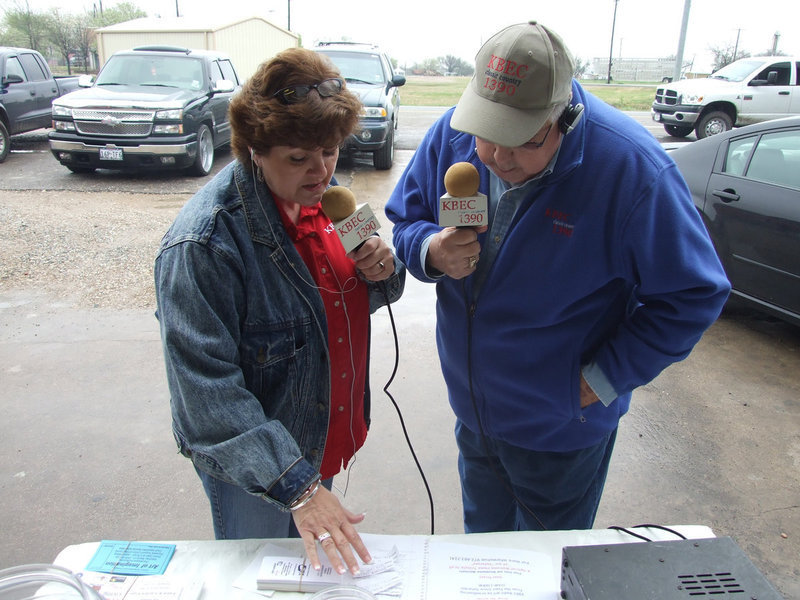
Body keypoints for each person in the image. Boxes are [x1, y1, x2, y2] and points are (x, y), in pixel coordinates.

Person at [385, 21, 730, 533]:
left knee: (547, 570)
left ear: (563, 117)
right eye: (487, 134)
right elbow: (406, 219)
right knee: (485, 561)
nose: (498, 158)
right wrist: (430, 250)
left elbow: (693, 294)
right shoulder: (452, 133)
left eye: (522, 140)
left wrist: (600, 381)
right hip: (474, 413)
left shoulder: (631, 171)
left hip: (561, 432)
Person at [154, 47, 405, 575]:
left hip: (322, 437)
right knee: (256, 580)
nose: (321, 173)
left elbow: (347, 299)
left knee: (309, 576)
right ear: (253, 151)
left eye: (332, 151)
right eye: (299, 158)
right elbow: (206, 396)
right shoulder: (203, 245)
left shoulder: (329, 198)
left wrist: (381, 271)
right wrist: (299, 487)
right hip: (261, 469)